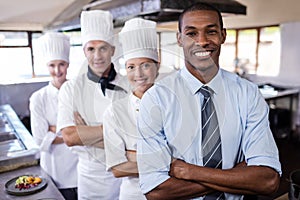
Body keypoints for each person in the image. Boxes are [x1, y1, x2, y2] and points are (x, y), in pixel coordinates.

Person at [136, 2, 282, 200]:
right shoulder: (157, 99)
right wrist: (236, 174)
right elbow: (156, 191)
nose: (202, 41)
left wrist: (188, 171)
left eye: (210, 32)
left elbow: (267, 181)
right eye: (191, 33)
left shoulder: (247, 93)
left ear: (223, 35)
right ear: (179, 39)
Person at [56, 10, 127, 200]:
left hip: (128, 178)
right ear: (84, 51)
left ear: (113, 50)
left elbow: (136, 137)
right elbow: (70, 137)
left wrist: (86, 132)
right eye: (91, 49)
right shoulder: (71, 89)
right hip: (91, 179)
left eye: (103, 48)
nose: (98, 56)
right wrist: (116, 131)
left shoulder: (129, 84)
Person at [103, 18, 159, 200]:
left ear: (157, 66)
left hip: (174, 193)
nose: (138, 74)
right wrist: (167, 162)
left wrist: (134, 156)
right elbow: (118, 168)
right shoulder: (114, 112)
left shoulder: (175, 105)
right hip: (133, 195)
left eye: (145, 65)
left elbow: (189, 158)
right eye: (131, 67)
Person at [29, 32, 78, 200]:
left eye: (61, 64)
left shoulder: (79, 92)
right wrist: (73, 133)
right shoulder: (38, 98)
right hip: (56, 170)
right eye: (52, 65)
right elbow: (39, 138)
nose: (57, 71)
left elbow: (89, 129)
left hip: (81, 168)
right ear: (46, 66)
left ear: (68, 64)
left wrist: (55, 130)